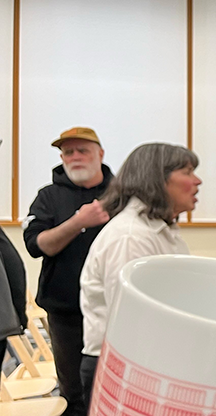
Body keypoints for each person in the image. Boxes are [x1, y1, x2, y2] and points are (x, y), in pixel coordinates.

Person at [78, 143, 198, 410]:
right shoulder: (131, 237)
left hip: (143, 363)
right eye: (188, 172)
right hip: (126, 366)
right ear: (157, 179)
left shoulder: (160, 231)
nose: (197, 181)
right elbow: (132, 320)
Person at [22, 127, 112, 416]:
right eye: (68, 152)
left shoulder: (120, 195)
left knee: (112, 386)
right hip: (65, 311)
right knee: (73, 392)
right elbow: (37, 246)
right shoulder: (48, 197)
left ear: (100, 154)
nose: (75, 157)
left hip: (115, 310)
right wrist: (78, 222)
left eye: (82, 150)